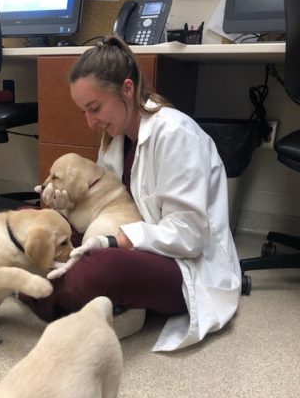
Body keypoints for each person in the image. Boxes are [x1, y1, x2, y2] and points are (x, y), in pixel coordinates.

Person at [23, 36, 241, 352]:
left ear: (127, 89)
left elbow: (189, 236)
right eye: (84, 111)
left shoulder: (174, 134)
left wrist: (117, 240)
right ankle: (53, 290)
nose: (89, 122)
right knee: (26, 221)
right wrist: (64, 206)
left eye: (94, 108)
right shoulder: (115, 136)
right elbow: (101, 205)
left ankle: (30, 286)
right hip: (125, 237)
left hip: (182, 263)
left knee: (100, 270)